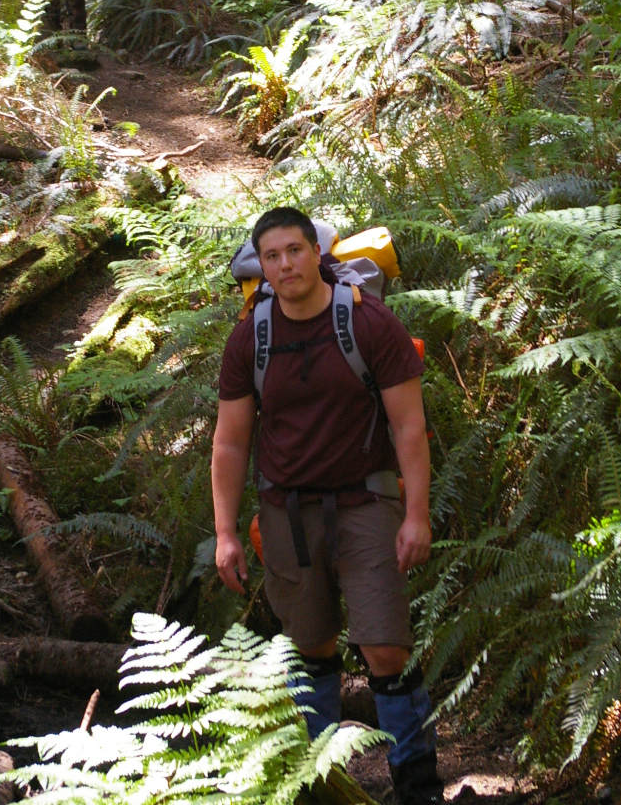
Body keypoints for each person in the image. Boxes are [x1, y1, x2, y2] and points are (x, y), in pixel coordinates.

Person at [212, 206, 443, 805]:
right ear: (260, 266)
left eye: (295, 250)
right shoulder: (252, 335)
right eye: (272, 256)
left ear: (316, 252)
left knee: (385, 647)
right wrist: (226, 532)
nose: (286, 264)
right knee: (311, 649)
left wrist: (416, 514)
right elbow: (231, 440)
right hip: (286, 513)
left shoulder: (369, 325)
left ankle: (417, 788)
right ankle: (321, 787)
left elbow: (409, 429)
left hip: (365, 500)